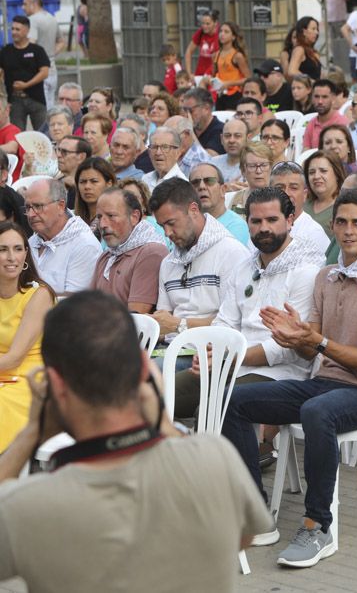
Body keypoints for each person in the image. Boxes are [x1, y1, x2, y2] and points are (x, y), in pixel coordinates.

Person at [0, 289, 272, 592]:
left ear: (54, 386)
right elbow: (242, 537)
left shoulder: (25, 507)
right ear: (145, 368)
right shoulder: (214, 458)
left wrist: (30, 435)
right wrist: (164, 424)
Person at [221, 189, 357, 567]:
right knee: (234, 400)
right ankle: (256, 512)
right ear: (331, 226)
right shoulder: (328, 276)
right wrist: (295, 338)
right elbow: (313, 350)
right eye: (341, 222)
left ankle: (317, 525)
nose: (348, 230)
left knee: (317, 411)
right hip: (326, 382)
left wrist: (316, 340)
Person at [172, 187, 325, 420]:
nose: (264, 228)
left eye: (272, 219)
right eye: (256, 221)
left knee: (211, 413)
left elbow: (287, 348)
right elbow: (225, 322)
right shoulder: (245, 266)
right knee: (154, 396)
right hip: (233, 364)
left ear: (290, 220)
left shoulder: (306, 271)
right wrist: (209, 351)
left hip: (278, 374)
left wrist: (232, 358)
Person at [149, 177, 250, 340]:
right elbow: (163, 323)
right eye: (162, 226)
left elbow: (234, 323)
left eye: (172, 223)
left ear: (194, 210)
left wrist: (178, 324)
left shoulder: (232, 253)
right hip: (170, 349)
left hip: (211, 353)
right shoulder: (168, 262)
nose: (167, 233)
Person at [0, 221, 53, 450]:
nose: (12, 257)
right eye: (2, 249)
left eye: (18, 248)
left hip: (29, 379)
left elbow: (14, 358)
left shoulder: (38, 295)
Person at [90, 187, 167, 313]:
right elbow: (88, 306)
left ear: (134, 217)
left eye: (111, 216)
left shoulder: (151, 252)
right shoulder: (106, 256)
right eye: (99, 217)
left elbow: (137, 318)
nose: (103, 224)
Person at [23, 178, 102, 295]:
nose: (30, 214)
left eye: (38, 206)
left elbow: (73, 302)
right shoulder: (32, 240)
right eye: (28, 207)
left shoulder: (85, 245)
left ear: (60, 205)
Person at [0, 15, 50, 131]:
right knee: (18, 136)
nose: (14, 32)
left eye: (18, 29)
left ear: (27, 30)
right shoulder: (6, 51)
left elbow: (45, 72)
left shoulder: (37, 50)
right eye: (12, 29)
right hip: (15, 100)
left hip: (37, 99)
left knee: (43, 132)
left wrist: (26, 85)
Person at [269, 160, 331, 252]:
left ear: (304, 195)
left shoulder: (314, 234)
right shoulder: (261, 226)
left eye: (293, 188)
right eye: (279, 188)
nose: (286, 193)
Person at [190, 162, 249, 244]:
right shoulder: (184, 224)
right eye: (195, 182)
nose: (201, 187)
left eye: (209, 181)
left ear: (223, 190)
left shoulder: (237, 226)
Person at [23, 0, 64, 107]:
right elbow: (61, 41)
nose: (23, 7)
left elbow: (31, 43)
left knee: (42, 109)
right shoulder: (52, 18)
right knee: (50, 105)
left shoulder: (32, 20)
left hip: (39, 72)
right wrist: (50, 55)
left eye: (25, 4)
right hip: (52, 69)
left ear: (33, 4)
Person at [303, 149, 347, 240]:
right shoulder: (302, 204)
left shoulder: (345, 207)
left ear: (337, 174)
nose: (316, 176)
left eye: (323, 171)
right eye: (311, 172)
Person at [209, 21, 250, 111]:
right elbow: (214, 74)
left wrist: (228, 83)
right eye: (221, 31)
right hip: (220, 94)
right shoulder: (216, 55)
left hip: (234, 94)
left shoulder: (237, 55)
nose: (222, 34)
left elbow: (248, 79)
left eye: (226, 32)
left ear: (233, 37)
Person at [302, 79, 350, 150]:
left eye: (325, 97)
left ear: (333, 98)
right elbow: (306, 151)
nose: (320, 101)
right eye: (316, 96)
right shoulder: (311, 123)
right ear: (312, 98)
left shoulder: (342, 123)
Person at [73, 156, 115, 229]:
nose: (87, 186)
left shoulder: (115, 219)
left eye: (94, 181)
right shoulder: (72, 219)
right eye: (82, 182)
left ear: (109, 184)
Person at [182, 87, 224, 155]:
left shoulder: (221, 130)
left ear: (206, 108)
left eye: (190, 111)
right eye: (184, 110)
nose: (187, 115)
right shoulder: (189, 130)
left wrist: (190, 131)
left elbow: (206, 159)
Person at [208, 118, 248, 184]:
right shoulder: (213, 164)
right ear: (221, 139)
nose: (231, 140)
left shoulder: (255, 165)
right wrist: (226, 188)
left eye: (237, 136)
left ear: (247, 139)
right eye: (227, 136)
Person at [184, 9, 220, 76]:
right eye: (203, 23)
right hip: (200, 73)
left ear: (215, 23)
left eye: (208, 24)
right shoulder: (201, 32)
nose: (204, 26)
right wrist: (189, 73)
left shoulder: (221, 34)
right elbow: (189, 51)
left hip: (215, 74)